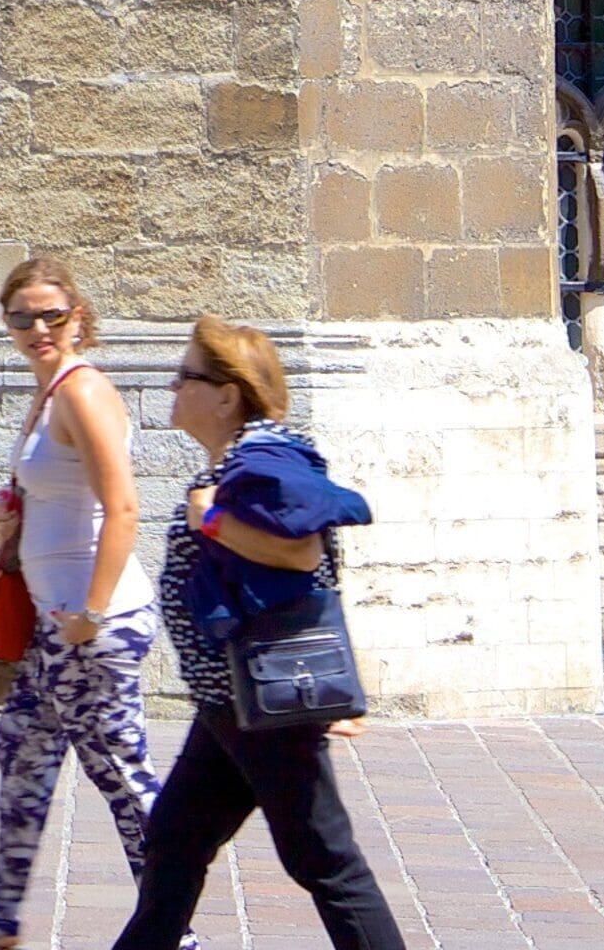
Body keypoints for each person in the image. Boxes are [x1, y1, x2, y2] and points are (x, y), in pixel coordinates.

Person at [105, 320, 402, 950]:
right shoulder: (237, 460)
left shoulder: (260, 459)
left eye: (186, 375)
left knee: (324, 860)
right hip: (232, 701)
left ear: (226, 394)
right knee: (175, 840)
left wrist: (211, 518)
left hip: (266, 703)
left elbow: (298, 552)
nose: (172, 385)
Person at [0, 258, 169, 950]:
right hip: (57, 623)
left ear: (79, 316)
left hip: (92, 625)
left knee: (126, 781)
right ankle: (0, 918)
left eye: (52, 315)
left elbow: (124, 507)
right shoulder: (47, 393)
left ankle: (174, 929)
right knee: (21, 747)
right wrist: (6, 507)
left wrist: (91, 615)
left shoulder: (84, 391)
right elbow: (53, 489)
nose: (38, 328)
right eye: (21, 317)